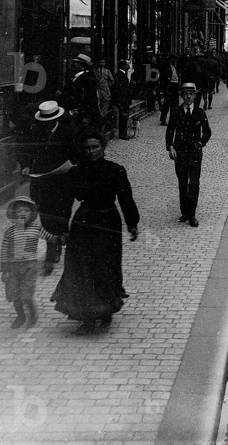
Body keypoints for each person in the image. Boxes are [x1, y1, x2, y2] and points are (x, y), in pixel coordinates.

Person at [51, 131, 139, 332]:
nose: (91, 152)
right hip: (84, 221)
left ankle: (106, 309)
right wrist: (62, 228)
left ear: (103, 147)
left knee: (105, 266)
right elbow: (65, 201)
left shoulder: (116, 170)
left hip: (108, 222)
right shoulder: (76, 172)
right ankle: (87, 317)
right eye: (87, 148)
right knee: (82, 267)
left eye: (95, 147)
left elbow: (126, 198)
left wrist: (132, 223)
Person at [17, 101, 77, 274]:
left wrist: (72, 165)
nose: (47, 124)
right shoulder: (36, 131)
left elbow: (76, 154)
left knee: (63, 213)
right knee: (46, 216)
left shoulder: (68, 132)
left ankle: (59, 239)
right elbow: (27, 150)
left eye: (50, 121)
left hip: (63, 181)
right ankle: (52, 253)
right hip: (41, 181)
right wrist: (25, 164)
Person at [3, 196, 62, 329]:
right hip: (13, 267)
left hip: (30, 267)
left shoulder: (36, 229)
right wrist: (5, 270)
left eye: (26, 211)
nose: (23, 213)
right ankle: (21, 316)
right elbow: (4, 251)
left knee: (27, 295)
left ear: (31, 213)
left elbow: (50, 237)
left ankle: (33, 315)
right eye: (19, 211)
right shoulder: (10, 232)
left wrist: (60, 239)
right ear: (13, 214)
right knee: (15, 296)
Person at [165, 82, 212, 228]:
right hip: (180, 153)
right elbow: (170, 130)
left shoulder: (199, 112)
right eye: (185, 94)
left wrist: (200, 143)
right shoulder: (176, 112)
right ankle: (184, 212)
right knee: (182, 183)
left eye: (191, 94)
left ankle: (192, 215)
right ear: (182, 96)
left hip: (195, 153)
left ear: (194, 96)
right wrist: (170, 147)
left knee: (194, 184)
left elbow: (207, 131)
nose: (188, 97)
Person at [60, 53, 100, 128]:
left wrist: (87, 116)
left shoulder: (87, 79)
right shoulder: (75, 77)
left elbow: (91, 99)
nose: (74, 65)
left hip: (82, 114)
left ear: (83, 66)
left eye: (77, 63)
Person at [111, 60, 133, 140]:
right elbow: (118, 89)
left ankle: (124, 133)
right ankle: (122, 134)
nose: (129, 66)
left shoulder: (123, 74)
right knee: (123, 117)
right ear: (123, 66)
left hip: (125, 99)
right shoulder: (119, 75)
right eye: (127, 64)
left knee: (125, 117)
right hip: (122, 100)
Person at [159, 54, 180, 125]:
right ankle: (163, 119)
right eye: (174, 59)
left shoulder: (175, 67)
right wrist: (165, 88)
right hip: (169, 86)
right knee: (167, 104)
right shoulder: (167, 67)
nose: (175, 61)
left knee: (175, 105)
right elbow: (164, 78)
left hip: (175, 86)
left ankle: (173, 119)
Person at [95, 58, 114, 129]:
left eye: (103, 62)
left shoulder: (107, 71)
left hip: (105, 91)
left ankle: (104, 125)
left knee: (105, 107)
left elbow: (112, 80)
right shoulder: (95, 71)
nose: (101, 64)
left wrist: (106, 85)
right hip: (97, 91)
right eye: (100, 62)